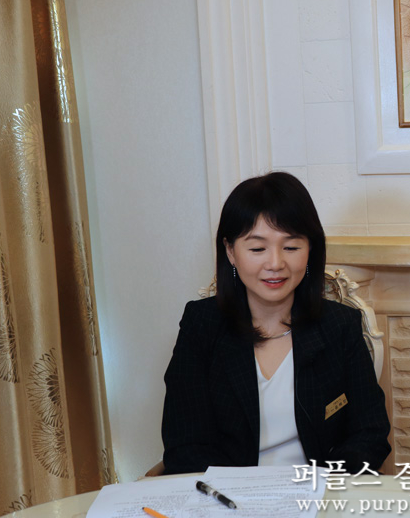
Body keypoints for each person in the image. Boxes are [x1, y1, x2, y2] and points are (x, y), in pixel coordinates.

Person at [161, 172, 390, 475]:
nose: (275, 264)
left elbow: (370, 433)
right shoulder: (202, 324)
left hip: (318, 492)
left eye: (291, 247)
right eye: (257, 249)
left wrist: (326, 486)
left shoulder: (339, 325)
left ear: (310, 250)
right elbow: (185, 444)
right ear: (230, 251)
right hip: (231, 495)